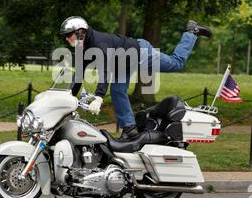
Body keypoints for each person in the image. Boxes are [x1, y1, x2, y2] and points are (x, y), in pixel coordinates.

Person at [60, 16, 212, 140]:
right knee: (117, 91)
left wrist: (99, 97)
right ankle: (130, 129)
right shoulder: (82, 47)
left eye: (68, 35)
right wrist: (68, 97)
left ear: (81, 32)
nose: (67, 39)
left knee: (176, 63)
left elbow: (104, 70)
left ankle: (192, 32)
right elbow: (78, 75)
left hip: (140, 53)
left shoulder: (99, 44)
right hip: (123, 62)